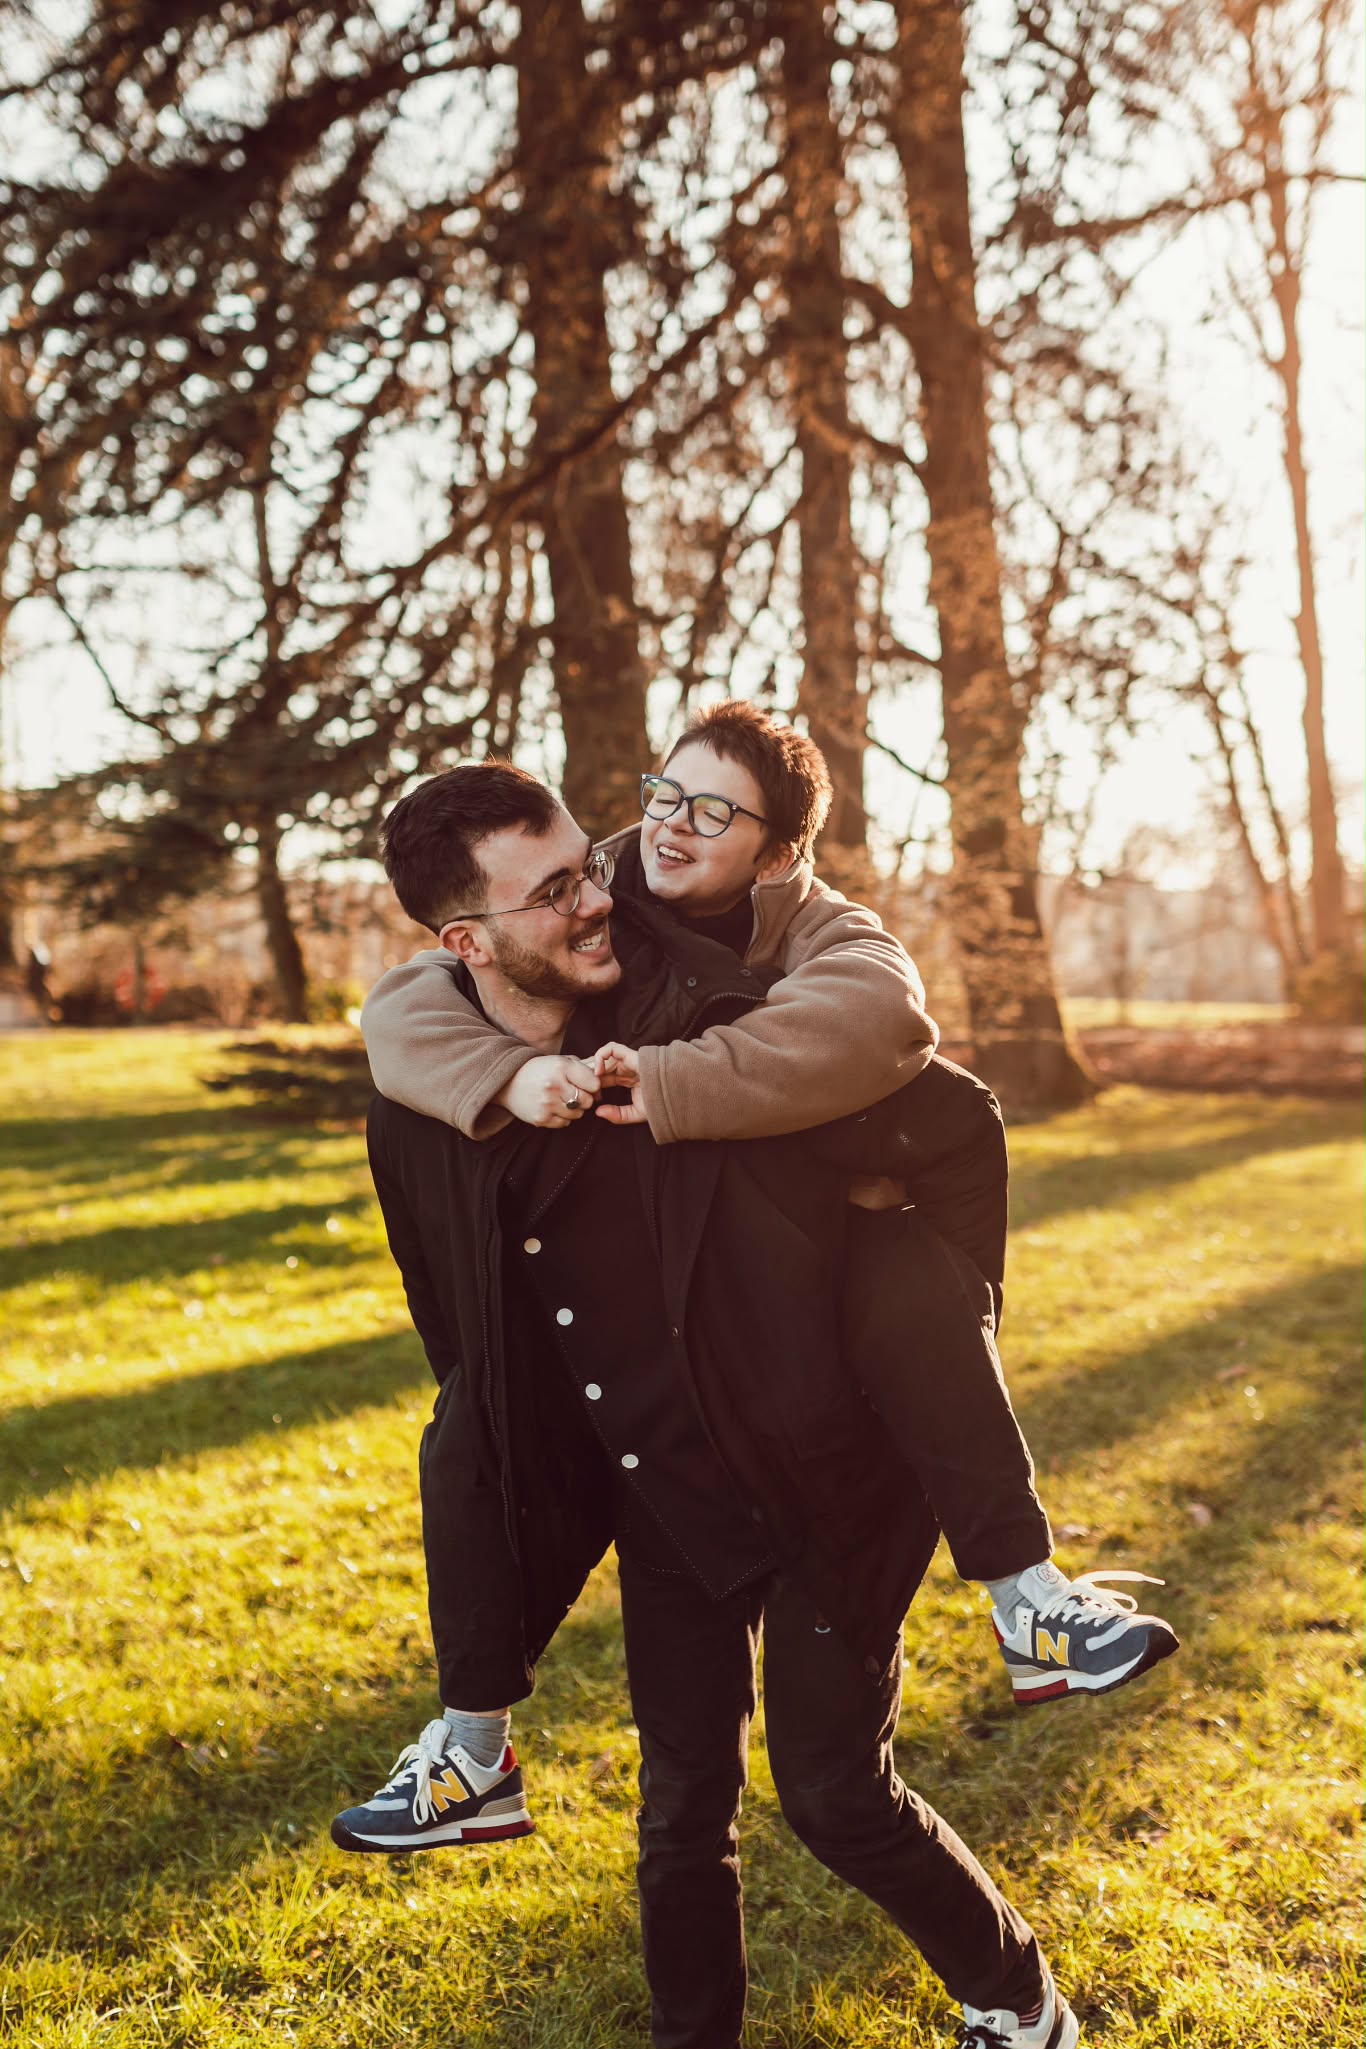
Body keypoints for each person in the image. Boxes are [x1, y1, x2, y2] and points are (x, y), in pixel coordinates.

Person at [338, 760, 1083, 2048]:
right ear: (467, 943)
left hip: (833, 1474)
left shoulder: (707, 1021)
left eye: (592, 863)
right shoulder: (432, 1103)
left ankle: (1018, 2005)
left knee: (835, 1794)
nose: (602, 897)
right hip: (667, 1494)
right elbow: (452, 1309)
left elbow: (945, 1114)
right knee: (681, 1808)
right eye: (560, 888)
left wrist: (943, 1321)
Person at [358, 706, 1177, 1736]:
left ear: (780, 850)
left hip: (808, 1336)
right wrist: (510, 1078)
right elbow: (402, 1003)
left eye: (712, 813)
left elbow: (884, 1019)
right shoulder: (598, 883)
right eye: (664, 794)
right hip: (672, 1375)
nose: (667, 829)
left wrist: (670, 1084)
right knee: (681, 1773)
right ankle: (471, 1739)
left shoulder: (816, 927)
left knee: (902, 1263)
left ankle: (1025, 1596)